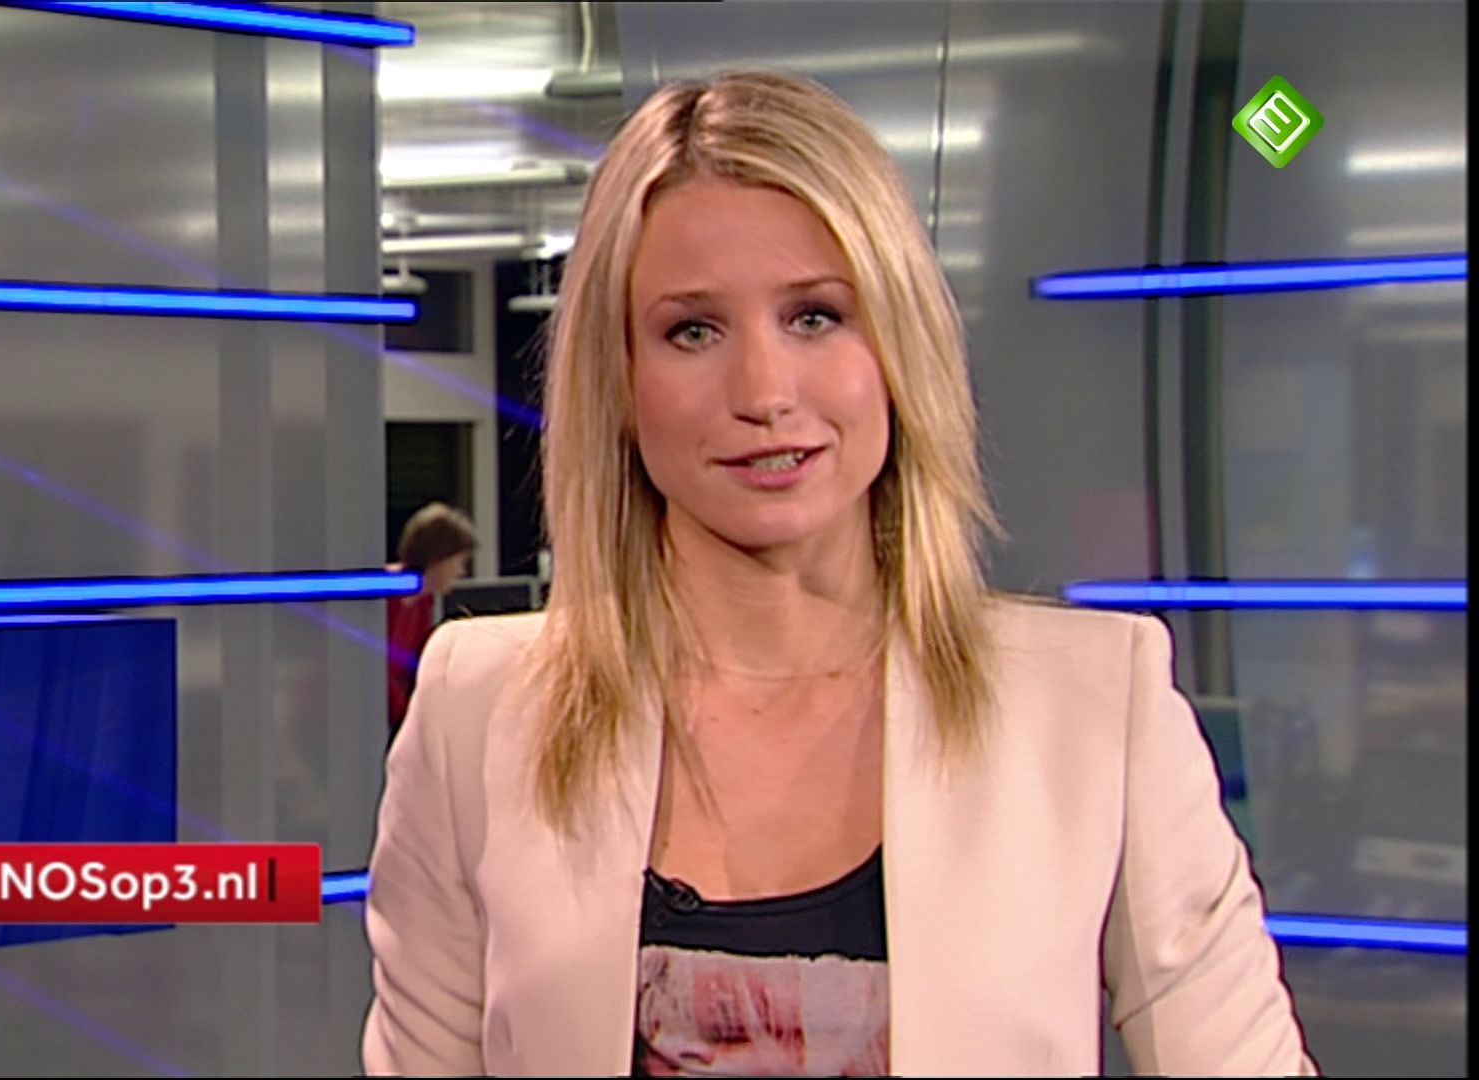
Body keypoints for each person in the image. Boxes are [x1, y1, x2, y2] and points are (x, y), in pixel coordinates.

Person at [361, 71, 1317, 1077]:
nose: (764, 391)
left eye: (815, 316)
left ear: (898, 344)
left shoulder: (1092, 704)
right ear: (620, 380)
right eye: (693, 331)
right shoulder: (478, 709)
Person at [384, 502, 478, 745]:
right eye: (459, 561)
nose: (461, 572)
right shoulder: (386, 590)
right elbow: (376, 672)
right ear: (439, 557)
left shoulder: (423, 601)